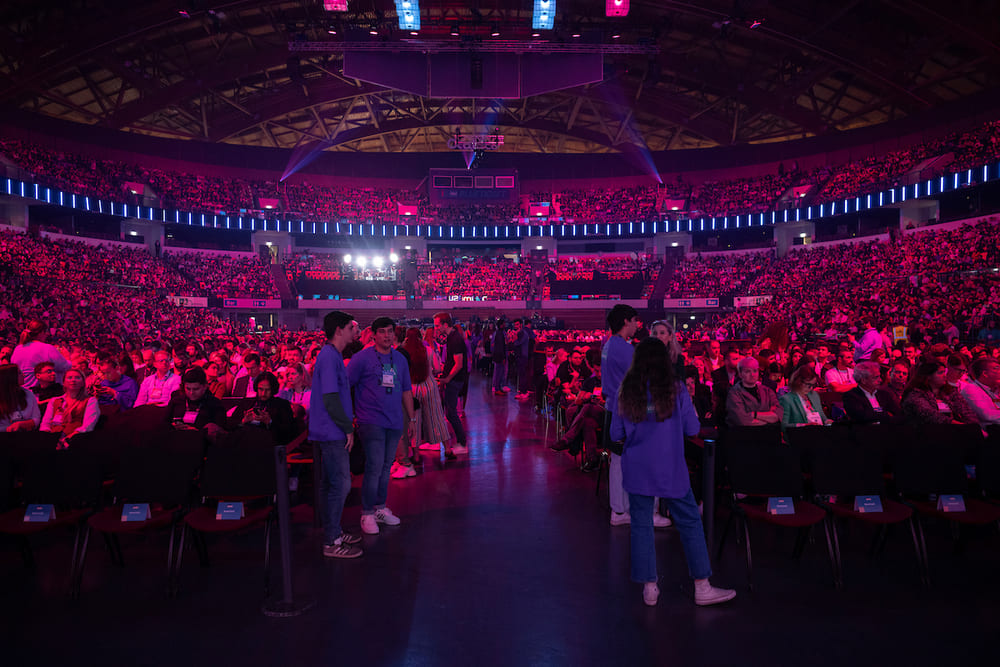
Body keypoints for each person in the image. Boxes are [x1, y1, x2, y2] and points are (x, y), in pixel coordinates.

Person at [611, 338, 736, 607]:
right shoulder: (677, 389)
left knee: (641, 525)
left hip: (637, 467)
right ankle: (702, 586)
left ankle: (649, 588)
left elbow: (615, 433)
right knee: (690, 522)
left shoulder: (626, 390)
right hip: (671, 467)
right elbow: (692, 429)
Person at [602, 304, 669, 528]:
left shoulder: (609, 345)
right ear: (626, 321)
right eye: (634, 321)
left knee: (619, 462)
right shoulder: (625, 349)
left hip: (614, 409)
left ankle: (619, 511)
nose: (637, 325)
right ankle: (648, 513)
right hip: (631, 411)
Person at [348, 317, 415, 535]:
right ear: (374, 335)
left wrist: (412, 419)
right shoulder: (361, 358)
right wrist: (349, 415)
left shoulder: (400, 359)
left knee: (386, 468)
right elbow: (346, 385)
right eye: (382, 331)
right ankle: (367, 513)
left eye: (390, 331)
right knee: (375, 466)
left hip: (394, 421)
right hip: (370, 421)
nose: (387, 335)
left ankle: (379, 508)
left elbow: (406, 390)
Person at [309, 310, 363, 559]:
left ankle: (334, 531)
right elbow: (331, 399)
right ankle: (331, 540)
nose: (355, 332)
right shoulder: (330, 357)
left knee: (331, 484)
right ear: (339, 330)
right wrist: (347, 427)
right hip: (331, 430)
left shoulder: (331, 355)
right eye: (351, 327)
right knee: (340, 484)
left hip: (328, 428)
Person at [400, 327, 450, 474]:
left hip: (411, 389)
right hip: (429, 386)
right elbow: (437, 369)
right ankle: (447, 448)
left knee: (414, 422)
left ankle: (416, 455)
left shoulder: (403, 353)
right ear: (420, 337)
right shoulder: (428, 351)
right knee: (436, 418)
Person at [434, 311, 468, 459]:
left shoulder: (455, 339)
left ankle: (462, 443)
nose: (436, 328)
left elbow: (458, 364)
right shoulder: (453, 337)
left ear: (445, 324)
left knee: (451, 413)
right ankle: (461, 442)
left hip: (454, 380)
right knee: (451, 412)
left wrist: (447, 378)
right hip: (453, 379)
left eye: (437, 325)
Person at [230, 372, 296, 445]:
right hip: (245, 441)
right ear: (256, 388)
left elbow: (289, 431)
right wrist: (243, 421)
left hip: (269, 444)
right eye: (261, 389)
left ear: (273, 389)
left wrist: (269, 422)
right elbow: (230, 424)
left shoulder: (282, 405)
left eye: (267, 390)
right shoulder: (246, 403)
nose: (263, 393)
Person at [163, 366, 227, 443]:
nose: (191, 393)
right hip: (176, 440)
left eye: (196, 389)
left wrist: (196, 431)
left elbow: (220, 430)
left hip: (202, 442)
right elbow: (164, 423)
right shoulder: (177, 401)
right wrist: (173, 426)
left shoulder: (214, 404)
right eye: (188, 389)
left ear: (204, 387)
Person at [901, 362, 977, 424]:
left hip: (953, 431)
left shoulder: (950, 391)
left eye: (944, 372)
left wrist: (972, 424)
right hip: (925, 432)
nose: (944, 376)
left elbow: (966, 410)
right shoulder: (915, 394)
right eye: (940, 373)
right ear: (928, 376)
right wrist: (958, 425)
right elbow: (930, 415)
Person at [39, 368, 99, 445]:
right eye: (69, 378)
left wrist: (69, 438)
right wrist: (46, 436)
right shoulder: (55, 401)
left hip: (75, 439)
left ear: (83, 383)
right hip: (52, 437)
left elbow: (88, 425)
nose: (73, 380)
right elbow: (45, 423)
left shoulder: (90, 401)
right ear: (64, 383)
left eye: (77, 378)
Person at [11, 320, 71, 388]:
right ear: (42, 332)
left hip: (22, 390)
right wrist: (66, 356)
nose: (46, 335)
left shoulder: (18, 349)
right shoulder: (47, 348)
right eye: (46, 332)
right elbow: (64, 367)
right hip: (40, 391)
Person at [726, 356, 782, 427]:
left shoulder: (768, 391)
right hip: (744, 432)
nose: (752, 375)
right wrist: (769, 419)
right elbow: (742, 420)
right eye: (747, 371)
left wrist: (754, 414)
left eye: (755, 371)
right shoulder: (733, 393)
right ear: (740, 374)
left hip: (768, 432)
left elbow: (779, 415)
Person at [959, 357, 1000, 427]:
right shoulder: (971, 389)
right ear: (985, 373)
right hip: (987, 430)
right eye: (997, 369)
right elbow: (988, 416)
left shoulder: (994, 389)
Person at [0, 364, 41, 432]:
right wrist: (8, 428)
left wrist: (22, 424)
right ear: (10, 377)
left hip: (26, 434)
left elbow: (36, 418)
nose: (24, 375)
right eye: (19, 373)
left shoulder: (28, 394)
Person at [711, 348, 742, 427]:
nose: (738, 361)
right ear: (726, 361)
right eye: (735, 359)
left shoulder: (741, 374)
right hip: (723, 412)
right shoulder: (717, 374)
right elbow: (720, 392)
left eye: (738, 359)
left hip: (739, 412)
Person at [491, 319, 509, 396]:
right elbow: (501, 347)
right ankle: (497, 388)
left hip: (497, 356)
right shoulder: (500, 334)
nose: (505, 325)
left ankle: (497, 387)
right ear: (501, 325)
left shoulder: (498, 333)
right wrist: (503, 357)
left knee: (499, 372)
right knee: (499, 372)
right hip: (500, 356)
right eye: (504, 324)